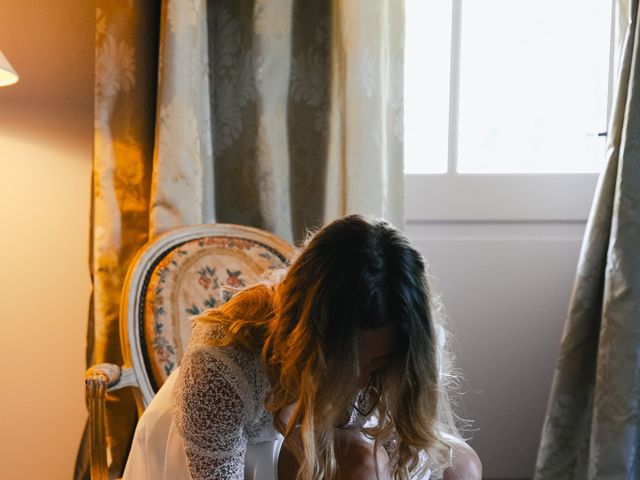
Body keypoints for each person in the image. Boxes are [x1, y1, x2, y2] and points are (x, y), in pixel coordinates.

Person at [123, 214, 482, 480]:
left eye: (378, 362)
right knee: (363, 465)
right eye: (345, 360)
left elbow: (404, 442)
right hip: (238, 451)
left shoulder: (408, 343)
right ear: (308, 337)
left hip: (323, 437)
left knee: (461, 468)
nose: (359, 381)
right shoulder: (221, 368)